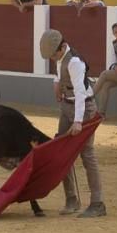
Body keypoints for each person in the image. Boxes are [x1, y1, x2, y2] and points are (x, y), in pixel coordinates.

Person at [38, 29, 106, 218]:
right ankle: (71, 199)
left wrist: (77, 121)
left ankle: (98, 203)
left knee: (87, 155)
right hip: (67, 107)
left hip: (83, 109)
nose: (52, 59)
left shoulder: (75, 62)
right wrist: (56, 83)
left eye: (53, 55)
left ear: (61, 48)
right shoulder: (62, 57)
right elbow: (59, 75)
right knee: (62, 153)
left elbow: (81, 94)